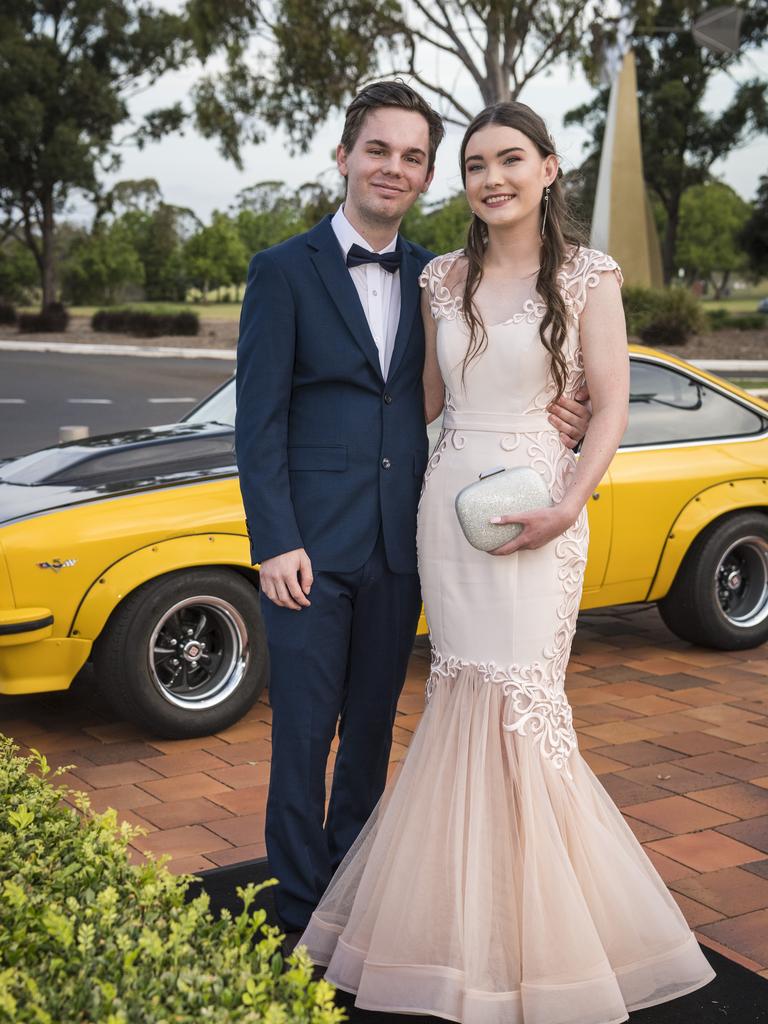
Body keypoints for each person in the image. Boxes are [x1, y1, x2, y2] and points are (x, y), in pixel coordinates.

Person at [299, 102, 717, 1023]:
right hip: (449, 515)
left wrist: (569, 496)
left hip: (543, 505)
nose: (492, 178)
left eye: (511, 160)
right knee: (458, 692)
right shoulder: (441, 279)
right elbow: (427, 408)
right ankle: (456, 930)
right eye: (477, 164)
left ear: (550, 169)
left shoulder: (592, 276)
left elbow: (610, 406)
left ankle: (549, 940)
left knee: (524, 699)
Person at [235, 82, 590, 946]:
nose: (394, 168)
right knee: (303, 740)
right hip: (310, 552)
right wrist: (274, 539)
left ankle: (353, 901)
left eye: (412, 156)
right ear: (345, 155)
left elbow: (469, 385)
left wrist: (559, 409)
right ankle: (295, 914)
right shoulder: (282, 270)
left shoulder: (440, 276)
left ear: (427, 174)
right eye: (378, 150)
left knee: (370, 737)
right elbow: (259, 420)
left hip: (407, 544)